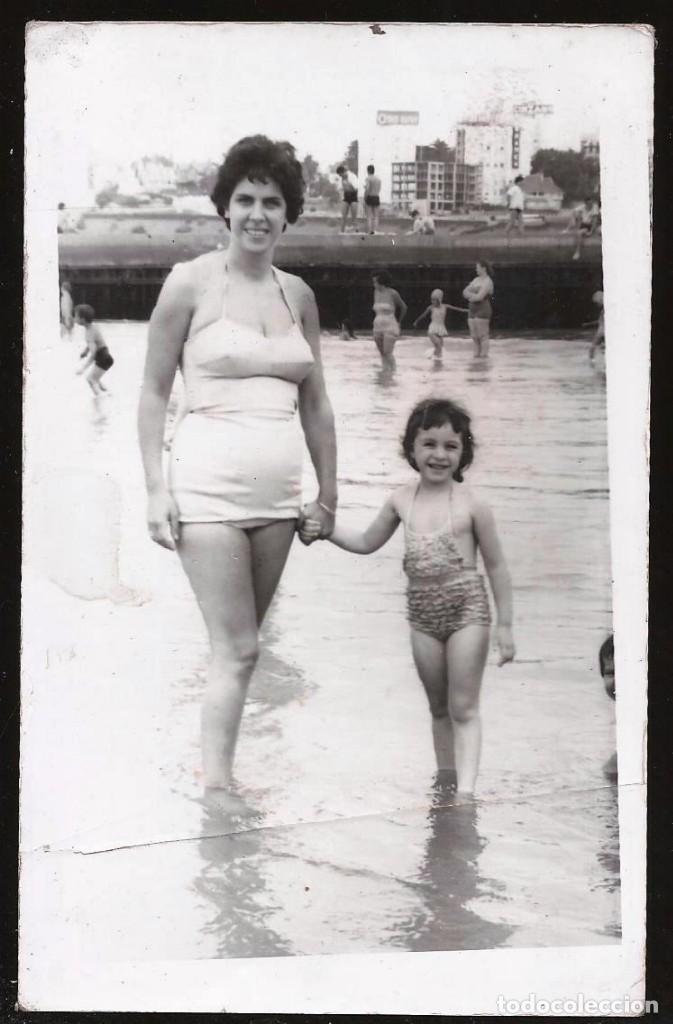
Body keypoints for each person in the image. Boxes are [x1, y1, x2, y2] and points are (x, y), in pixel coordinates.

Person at [138, 135, 338, 805]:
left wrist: (328, 493)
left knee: (246, 648)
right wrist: (155, 490)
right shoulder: (189, 283)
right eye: (245, 199)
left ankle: (223, 782)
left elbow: (316, 404)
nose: (257, 213)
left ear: (288, 214)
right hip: (206, 490)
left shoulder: (298, 295)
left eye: (271, 202)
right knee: (239, 648)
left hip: (279, 497)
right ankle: (218, 793)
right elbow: (153, 392)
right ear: (225, 207)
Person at [300, 398, 515, 798]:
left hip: (467, 610)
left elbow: (498, 567)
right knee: (438, 707)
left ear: (464, 453)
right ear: (411, 449)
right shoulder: (401, 500)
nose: (439, 455)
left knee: (463, 706)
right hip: (422, 615)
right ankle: (447, 781)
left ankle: (466, 794)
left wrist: (505, 625)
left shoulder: (473, 505)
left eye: (451, 446)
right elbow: (366, 542)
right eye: (429, 444)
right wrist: (324, 532)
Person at [74, 304, 114, 394]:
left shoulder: (89, 333)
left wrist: (83, 368)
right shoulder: (93, 327)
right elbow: (93, 343)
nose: (74, 318)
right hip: (106, 356)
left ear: (82, 319)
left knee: (90, 379)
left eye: (76, 316)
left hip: (102, 357)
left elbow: (94, 352)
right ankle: (108, 394)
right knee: (96, 378)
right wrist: (85, 351)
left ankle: (100, 398)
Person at [372, 270, 407, 369]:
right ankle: (385, 372)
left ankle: (393, 372)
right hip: (377, 325)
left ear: (381, 281)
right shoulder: (375, 292)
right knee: (382, 353)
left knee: (388, 352)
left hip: (390, 325)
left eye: (375, 282)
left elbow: (404, 307)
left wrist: (399, 321)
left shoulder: (393, 293)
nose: (374, 284)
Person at [462, 260, 494, 358]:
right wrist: (474, 295)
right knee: (474, 337)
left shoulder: (488, 281)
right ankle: (476, 358)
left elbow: (480, 297)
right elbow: (464, 292)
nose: (476, 269)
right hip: (472, 310)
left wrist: (471, 295)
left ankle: (484, 357)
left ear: (483, 268)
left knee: (483, 335)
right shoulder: (476, 280)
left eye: (477, 267)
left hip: (483, 309)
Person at [413, 288, 450, 360]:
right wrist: (416, 321)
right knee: (438, 344)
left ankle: (436, 361)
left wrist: (467, 311)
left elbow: (457, 309)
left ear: (439, 299)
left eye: (434, 300)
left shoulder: (445, 306)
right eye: (432, 300)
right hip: (432, 329)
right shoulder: (431, 307)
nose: (432, 301)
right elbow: (423, 315)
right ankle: (435, 358)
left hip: (441, 329)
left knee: (440, 347)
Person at [336, 164, 359, 232]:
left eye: (341, 174)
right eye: (339, 175)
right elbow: (339, 188)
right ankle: (342, 231)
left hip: (353, 196)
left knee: (354, 216)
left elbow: (356, 188)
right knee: (343, 216)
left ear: (344, 172)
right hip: (346, 197)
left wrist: (348, 184)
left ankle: (356, 232)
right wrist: (341, 196)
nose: (340, 176)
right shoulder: (341, 179)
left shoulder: (352, 176)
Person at [363, 164, 382, 234]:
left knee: (369, 216)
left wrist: (365, 197)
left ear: (368, 171)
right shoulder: (378, 179)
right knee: (376, 216)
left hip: (370, 197)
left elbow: (367, 189)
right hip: (376, 196)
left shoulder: (368, 178)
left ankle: (370, 231)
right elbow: (379, 189)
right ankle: (375, 231)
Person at [588, 290, 605, 362]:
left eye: (596, 303)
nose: (596, 305)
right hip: (602, 330)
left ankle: (592, 359)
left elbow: (602, 323)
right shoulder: (603, 310)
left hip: (602, 331)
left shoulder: (604, 310)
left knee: (594, 346)